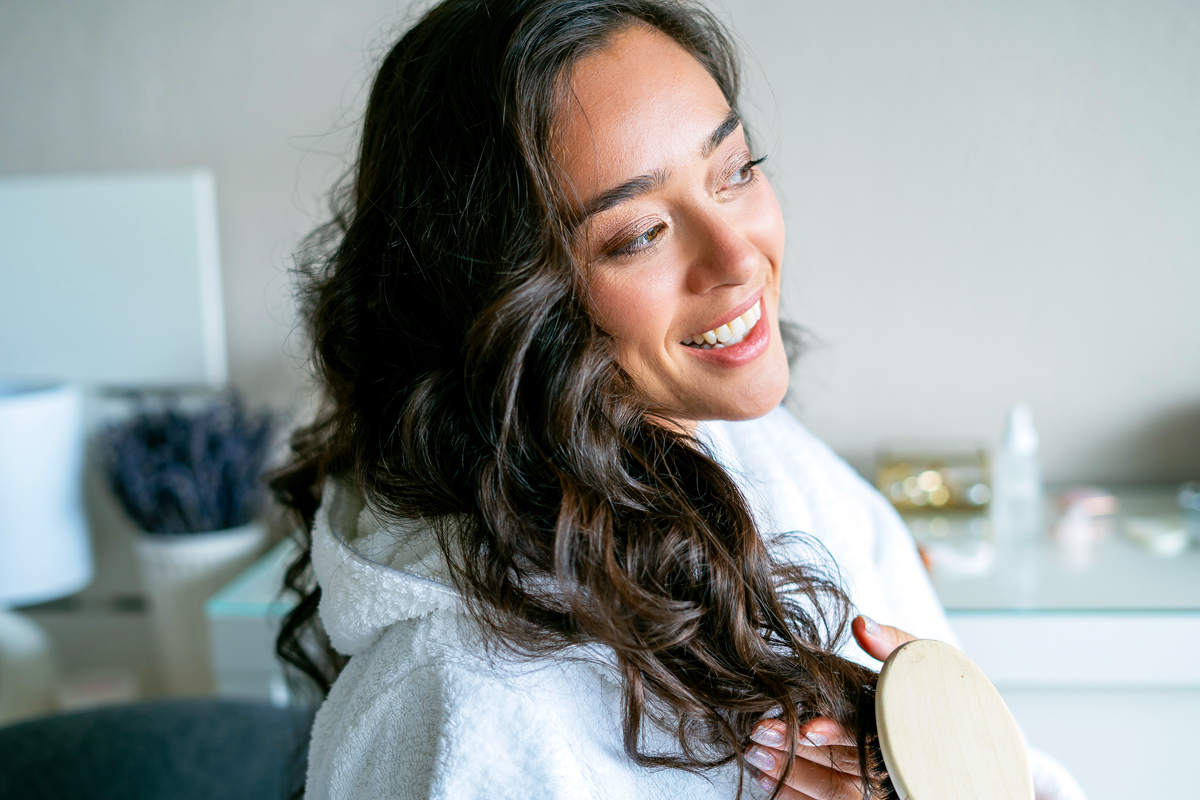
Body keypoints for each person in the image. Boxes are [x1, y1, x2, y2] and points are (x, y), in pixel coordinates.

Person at [272, 1, 1086, 798]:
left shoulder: (755, 452)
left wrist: (951, 764)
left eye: (734, 172)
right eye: (638, 235)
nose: (738, 256)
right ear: (503, 304)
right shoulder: (463, 709)